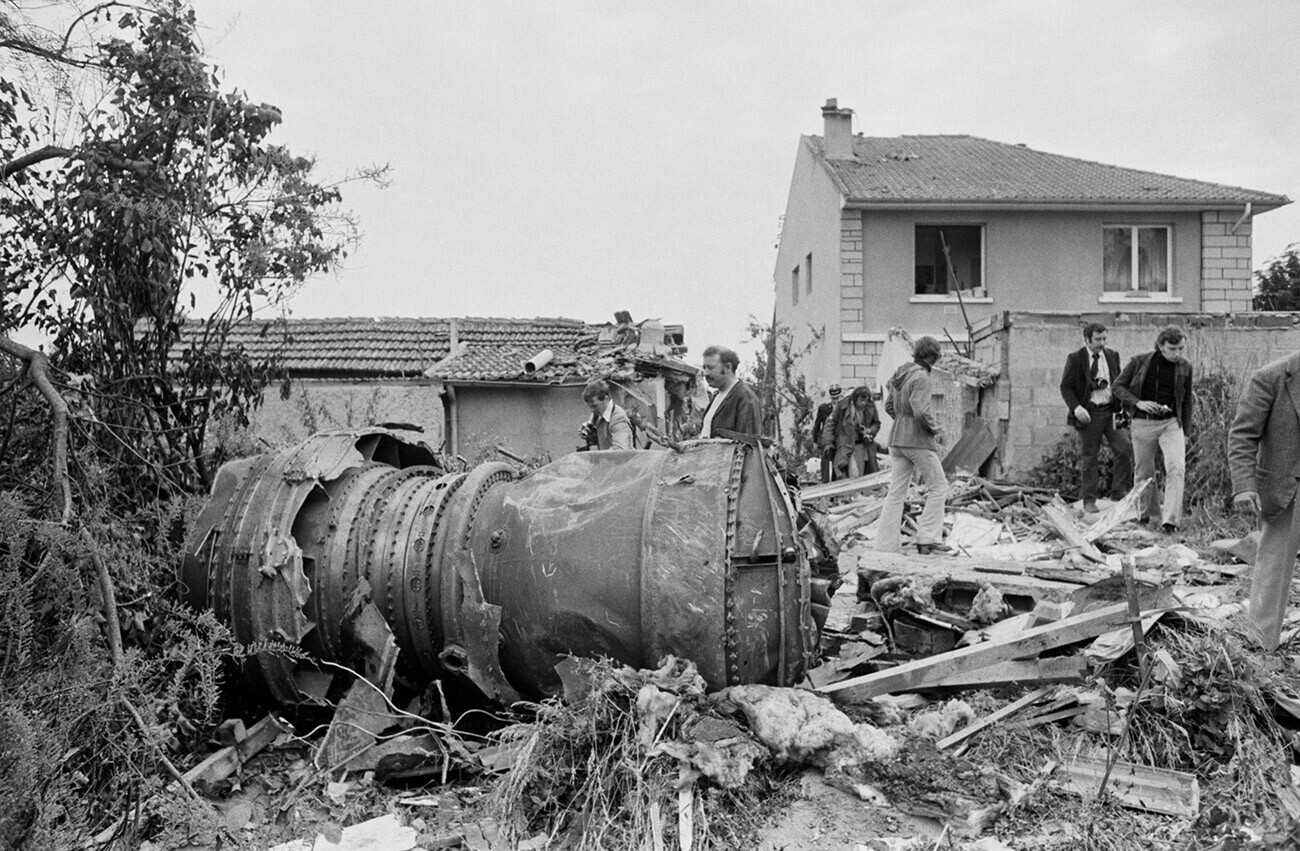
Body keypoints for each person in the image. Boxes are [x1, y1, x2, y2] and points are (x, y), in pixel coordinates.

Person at [1228, 351, 1300, 650]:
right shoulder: (1272, 377)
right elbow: (1243, 435)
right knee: (1274, 569)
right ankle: (1260, 648)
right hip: (1288, 490)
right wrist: (1244, 486)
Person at [1112, 325, 1193, 532]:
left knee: (1176, 468)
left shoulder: (1185, 367)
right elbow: (1117, 387)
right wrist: (1138, 402)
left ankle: (1170, 522)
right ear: (1161, 346)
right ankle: (1146, 515)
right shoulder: (1139, 361)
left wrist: (1186, 432)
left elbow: (1186, 401)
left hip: (1171, 423)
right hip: (1143, 422)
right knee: (1144, 471)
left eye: (1181, 349)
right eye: (1172, 349)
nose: (1177, 354)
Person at [875, 337, 950, 555]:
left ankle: (885, 546)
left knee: (896, 492)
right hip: (917, 440)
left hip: (896, 439)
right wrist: (936, 429)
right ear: (931, 357)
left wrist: (901, 419)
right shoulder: (922, 377)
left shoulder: (902, 373)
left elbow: (889, 405)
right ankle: (927, 537)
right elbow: (920, 409)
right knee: (939, 487)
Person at [1059, 321, 1134, 512]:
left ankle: (1119, 493)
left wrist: (1125, 406)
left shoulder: (1112, 356)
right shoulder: (1076, 358)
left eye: (1104, 339)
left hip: (1112, 411)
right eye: (1098, 339)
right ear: (1086, 339)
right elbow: (1066, 387)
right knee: (1090, 456)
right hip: (1089, 413)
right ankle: (1089, 500)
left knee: (1124, 448)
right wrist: (1076, 408)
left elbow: (1119, 382)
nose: (1102, 343)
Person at [699, 345, 761, 438]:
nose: (705, 373)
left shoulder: (745, 398)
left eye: (711, 368)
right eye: (704, 367)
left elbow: (749, 445)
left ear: (728, 367)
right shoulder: (717, 396)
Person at [825, 385, 880, 479]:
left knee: (862, 472)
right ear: (855, 399)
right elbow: (830, 423)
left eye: (865, 401)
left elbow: (876, 423)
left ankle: (858, 493)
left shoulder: (870, 407)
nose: (863, 403)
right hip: (846, 443)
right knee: (849, 471)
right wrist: (828, 442)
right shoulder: (843, 406)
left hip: (862, 444)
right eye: (861, 400)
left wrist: (869, 430)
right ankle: (848, 493)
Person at [578, 379, 634, 450]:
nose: (592, 410)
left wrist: (596, 457)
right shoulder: (600, 413)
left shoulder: (618, 419)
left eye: (595, 406)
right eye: (590, 406)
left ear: (606, 399)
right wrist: (592, 437)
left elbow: (620, 450)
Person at [812, 384, 843, 482]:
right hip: (826, 439)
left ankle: (835, 483)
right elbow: (817, 424)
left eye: (837, 398)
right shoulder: (824, 408)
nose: (835, 400)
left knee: (837, 463)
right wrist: (816, 440)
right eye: (833, 398)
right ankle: (825, 483)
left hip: (839, 439)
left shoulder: (844, 408)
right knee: (826, 462)